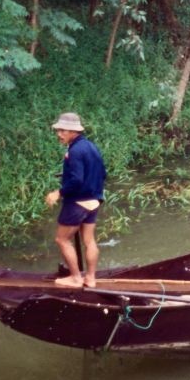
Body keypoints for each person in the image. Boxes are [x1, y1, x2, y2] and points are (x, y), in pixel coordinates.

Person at [45, 112, 106, 288]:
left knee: (62, 239)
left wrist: (58, 192)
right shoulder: (91, 146)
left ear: (74, 131)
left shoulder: (75, 151)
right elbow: (102, 173)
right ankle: (91, 278)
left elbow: (77, 180)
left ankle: (76, 278)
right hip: (94, 200)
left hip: (78, 202)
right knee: (89, 240)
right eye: (58, 130)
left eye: (63, 130)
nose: (59, 134)